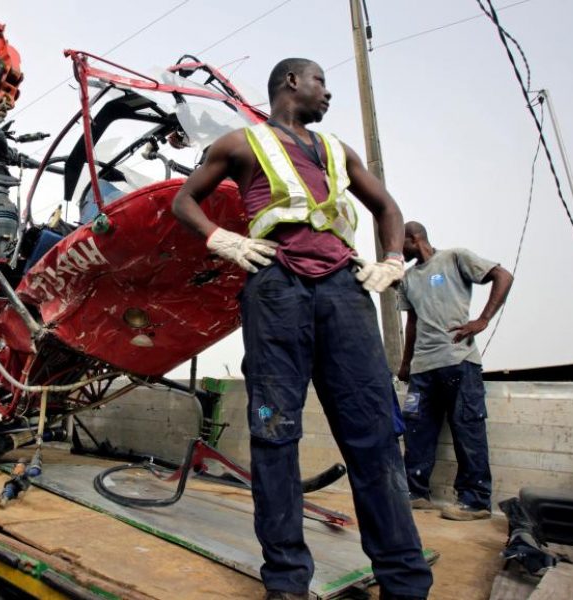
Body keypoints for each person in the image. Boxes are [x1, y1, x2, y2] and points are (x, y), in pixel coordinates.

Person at [172, 58, 431, 600]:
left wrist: (390, 259)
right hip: (276, 289)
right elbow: (184, 200)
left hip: (345, 290)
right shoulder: (241, 144)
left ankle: (404, 582)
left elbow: (386, 207)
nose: (328, 93)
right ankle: (287, 583)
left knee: (373, 433)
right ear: (292, 82)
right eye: (321, 82)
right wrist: (224, 239)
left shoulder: (337, 150)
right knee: (274, 432)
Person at [397, 221, 513, 521]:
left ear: (414, 238)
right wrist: (406, 362)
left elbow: (503, 275)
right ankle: (416, 492)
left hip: (459, 361)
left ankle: (475, 501)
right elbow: (412, 323)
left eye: (401, 243)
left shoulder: (454, 257)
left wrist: (483, 319)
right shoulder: (408, 278)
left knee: (467, 427)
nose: (398, 250)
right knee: (415, 427)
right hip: (423, 369)